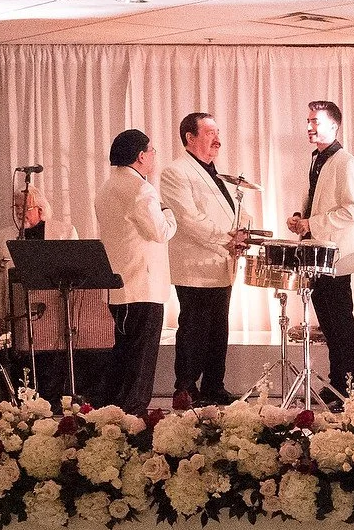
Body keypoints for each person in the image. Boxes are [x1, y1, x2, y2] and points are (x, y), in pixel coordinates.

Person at [159, 112, 249, 406]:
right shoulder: (176, 172)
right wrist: (227, 238)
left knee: (218, 328)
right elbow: (188, 219)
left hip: (221, 264)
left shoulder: (218, 174)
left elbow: (234, 214)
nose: (217, 139)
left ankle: (214, 384)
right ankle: (184, 387)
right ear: (190, 138)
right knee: (194, 328)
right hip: (195, 266)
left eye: (217, 132)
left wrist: (245, 231)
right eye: (210, 132)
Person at [286, 99, 354, 403]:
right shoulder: (319, 159)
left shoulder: (347, 162)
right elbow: (320, 199)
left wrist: (313, 224)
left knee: (341, 324)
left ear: (334, 125)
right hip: (319, 253)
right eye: (308, 120)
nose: (309, 127)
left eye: (316, 121)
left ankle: (351, 391)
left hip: (337, 255)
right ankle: (338, 384)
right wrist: (300, 218)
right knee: (331, 326)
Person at [96, 129, 175, 416]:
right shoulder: (140, 189)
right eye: (151, 151)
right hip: (143, 284)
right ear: (141, 156)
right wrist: (168, 212)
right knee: (140, 360)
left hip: (119, 284)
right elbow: (160, 231)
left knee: (123, 355)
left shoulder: (107, 186)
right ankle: (134, 416)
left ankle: (112, 412)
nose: (154, 156)